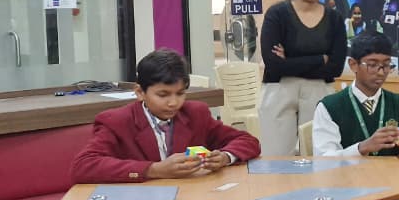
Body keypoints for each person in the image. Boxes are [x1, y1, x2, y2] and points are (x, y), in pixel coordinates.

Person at [71, 49, 261, 183]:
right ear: (140, 92)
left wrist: (226, 157)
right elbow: (83, 167)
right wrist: (153, 170)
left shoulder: (195, 113)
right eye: (163, 95)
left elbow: (248, 141)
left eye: (180, 93)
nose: (173, 103)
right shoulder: (116, 121)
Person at [259, 0, 348, 155]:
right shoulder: (277, 14)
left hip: (319, 90)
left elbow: (335, 67)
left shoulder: (334, 18)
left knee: (318, 153)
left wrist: (289, 60)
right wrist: (319, 59)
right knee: (276, 155)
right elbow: (273, 64)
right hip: (280, 89)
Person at [312, 32, 399, 156]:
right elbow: (324, 159)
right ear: (353, 65)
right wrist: (361, 148)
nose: (381, 72)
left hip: (392, 169)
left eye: (386, 65)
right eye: (372, 65)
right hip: (350, 170)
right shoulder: (330, 107)